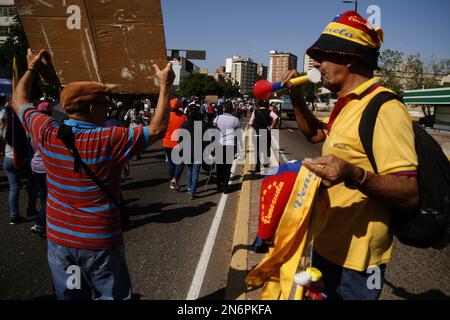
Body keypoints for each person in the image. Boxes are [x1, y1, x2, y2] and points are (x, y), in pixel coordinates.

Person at [12, 48, 174, 300]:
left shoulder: (45, 131)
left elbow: (18, 100)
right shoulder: (109, 138)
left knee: (74, 294)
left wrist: (31, 68)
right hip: (100, 246)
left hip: (61, 243)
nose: (108, 109)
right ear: (90, 108)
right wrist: (165, 86)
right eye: (104, 104)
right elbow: (157, 129)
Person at [281, 11, 419, 300]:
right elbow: (315, 136)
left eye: (322, 55)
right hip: (327, 246)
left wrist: (353, 174)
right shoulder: (346, 104)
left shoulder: (385, 108)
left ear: (349, 58)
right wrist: (296, 97)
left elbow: (409, 192)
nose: (316, 64)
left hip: (358, 264)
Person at [3, 104, 39, 225]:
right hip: (23, 160)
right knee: (33, 183)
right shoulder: (25, 127)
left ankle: (14, 215)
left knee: (14, 188)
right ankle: (31, 209)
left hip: (8, 159)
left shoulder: (6, 128)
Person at [29, 101, 54, 236]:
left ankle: (43, 222)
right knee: (49, 197)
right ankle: (40, 223)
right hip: (46, 166)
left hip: (35, 164)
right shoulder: (52, 126)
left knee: (44, 194)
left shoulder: (33, 126)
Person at [180, 103, 209, 199]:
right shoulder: (202, 125)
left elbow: (181, 139)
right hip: (198, 150)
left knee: (189, 170)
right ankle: (192, 191)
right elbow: (206, 140)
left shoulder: (184, 124)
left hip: (187, 150)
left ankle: (189, 187)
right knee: (195, 172)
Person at [213, 101, 240, 193]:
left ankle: (218, 183)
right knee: (227, 167)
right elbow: (236, 130)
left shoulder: (218, 117)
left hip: (220, 143)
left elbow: (214, 126)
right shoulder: (235, 119)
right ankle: (225, 186)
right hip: (230, 144)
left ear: (224, 109)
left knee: (220, 165)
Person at [163, 98, 187, 190]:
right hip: (179, 142)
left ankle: (173, 178)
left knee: (170, 161)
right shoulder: (183, 117)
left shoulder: (166, 116)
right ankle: (175, 178)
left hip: (167, 142)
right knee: (180, 162)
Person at [249, 100, 278, 171]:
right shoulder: (269, 112)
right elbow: (276, 117)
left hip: (256, 133)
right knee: (267, 148)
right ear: (266, 105)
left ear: (259, 105)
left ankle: (257, 166)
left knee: (257, 150)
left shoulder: (255, 111)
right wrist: (271, 126)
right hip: (266, 132)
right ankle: (265, 163)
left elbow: (250, 123)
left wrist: (255, 127)